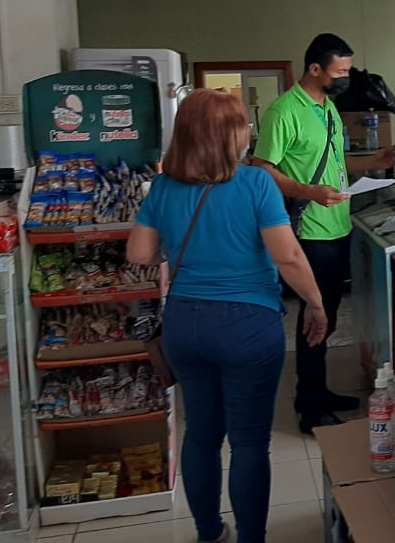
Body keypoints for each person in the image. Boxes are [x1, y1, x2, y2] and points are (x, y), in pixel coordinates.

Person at [127, 89, 328, 543]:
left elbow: (139, 252)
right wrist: (316, 304)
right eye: (243, 125)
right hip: (247, 326)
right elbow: (288, 257)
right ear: (230, 135)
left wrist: (175, 248)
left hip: (184, 325)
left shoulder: (163, 186)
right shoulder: (256, 183)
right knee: (249, 442)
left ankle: (209, 532)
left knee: (201, 434)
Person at [253, 33, 395, 434]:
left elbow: (335, 162)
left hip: (338, 225)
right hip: (310, 231)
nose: (346, 78)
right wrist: (307, 191)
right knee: (314, 317)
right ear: (315, 69)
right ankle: (310, 408)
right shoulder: (284, 111)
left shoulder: (328, 107)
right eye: (340, 72)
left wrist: (378, 159)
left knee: (328, 315)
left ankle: (316, 392)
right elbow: (262, 169)